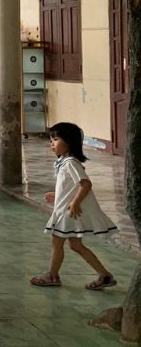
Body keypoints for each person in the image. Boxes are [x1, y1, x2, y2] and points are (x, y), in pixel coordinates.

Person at [30, 123, 117, 289]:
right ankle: (104, 275)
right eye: (51, 140)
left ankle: (52, 275)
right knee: (76, 245)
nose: (51, 143)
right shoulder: (64, 162)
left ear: (69, 142)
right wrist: (57, 195)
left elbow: (85, 184)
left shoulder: (71, 162)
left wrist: (75, 203)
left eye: (55, 139)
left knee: (56, 240)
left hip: (67, 211)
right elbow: (72, 186)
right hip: (66, 208)